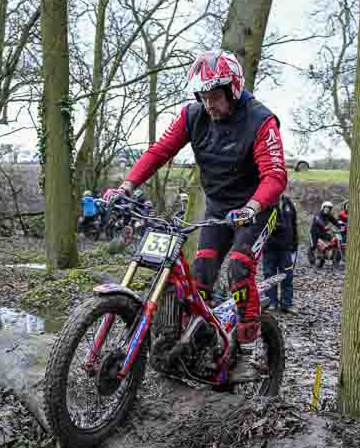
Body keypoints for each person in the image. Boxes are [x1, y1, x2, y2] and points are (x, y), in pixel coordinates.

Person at [114, 50, 287, 381]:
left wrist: (251, 208)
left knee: (239, 265)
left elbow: (275, 176)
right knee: (201, 272)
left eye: (215, 97)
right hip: (219, 208)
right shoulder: (192, 116)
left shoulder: (260, 120)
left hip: (257, 209)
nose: (209, 105)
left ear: (233, 89)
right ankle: (197, 345)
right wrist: (127, 186)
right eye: (203, 97)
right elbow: (159, 151)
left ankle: (247, 354)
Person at [262, 193, 298, 312]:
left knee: (287, 276)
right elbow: (262, 225)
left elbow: (293, 223)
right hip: (270, 247)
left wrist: (295, 242)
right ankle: (271, 302)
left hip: (286, 248)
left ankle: (286, 304)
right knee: (269, 275)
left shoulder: (287, 203)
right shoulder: (266, 202)